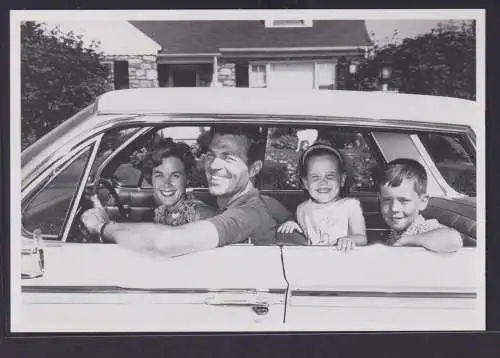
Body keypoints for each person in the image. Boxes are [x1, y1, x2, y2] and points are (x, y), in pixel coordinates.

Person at [81, 125, 291, 257]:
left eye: (228, 157)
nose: (214, 165)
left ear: (254, 169)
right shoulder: (261, 203)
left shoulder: (247, 215)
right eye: (210, 155)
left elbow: (161, 243)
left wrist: (102, 226)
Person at [278, 144, 367, 251]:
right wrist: (293, 225)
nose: (323, 182)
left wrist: (350, 239)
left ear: (342, 179)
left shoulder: (350, 206)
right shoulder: (302, 208)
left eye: (330, 176)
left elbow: (362, 238)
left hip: (344, 260)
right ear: (306, 183)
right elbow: (304, 238)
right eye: (315, 177)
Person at [376, 158, 462, 253]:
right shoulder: (394, 233)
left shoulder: (424, 228)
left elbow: (453, 238)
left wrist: (407, 240)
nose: (394, 208)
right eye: (387, 200)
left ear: (422, 202)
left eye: (404, 201)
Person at [146, 142, 216, 226]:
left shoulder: (203, 216)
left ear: (187, 178)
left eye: (175, 175)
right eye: (159, 175)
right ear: (151, 178)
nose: (166, 183)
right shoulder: (160, 213)